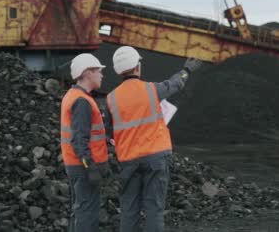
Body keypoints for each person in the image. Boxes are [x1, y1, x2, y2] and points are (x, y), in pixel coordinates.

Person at [106, 46, 202, 232]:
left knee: (129, 210)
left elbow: (109, 131)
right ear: (137, 67)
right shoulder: (151, 90)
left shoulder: (111, 99)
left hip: (128, 160)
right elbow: (175, 84)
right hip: (155, 158)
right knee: (154, 210)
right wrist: (186, 70)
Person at [60, 53, 108, 232]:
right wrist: (90, 167)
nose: (102, 75)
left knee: (79, 211)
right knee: (87, 214)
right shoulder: (82, 102)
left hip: (76, 165)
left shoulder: (72, 95)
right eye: (98, 71)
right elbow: (79, 139)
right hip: (83, 168)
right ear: (87, 73)